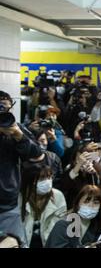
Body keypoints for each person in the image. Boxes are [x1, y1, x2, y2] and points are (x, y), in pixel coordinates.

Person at [0, 91, 43, 245]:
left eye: (4, 107)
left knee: (16, 243)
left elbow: (37, 154)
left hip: (7, 205)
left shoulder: (15, 128)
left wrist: (18, 136)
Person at [19, 162, 66, 248]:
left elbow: (58, 227)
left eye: (49, 177)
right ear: (31, 180)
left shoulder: (58, 196)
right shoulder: (20, 198)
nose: (47, 181)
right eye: (42, 178)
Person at [60, 142, 101, 208]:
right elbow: (65, 185)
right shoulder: (70, 169)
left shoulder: (92, 172)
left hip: (90, 206)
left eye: (87, 159)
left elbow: (98, 190)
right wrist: (79, 165)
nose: (84, 161)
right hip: (73, 206)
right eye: (80, 159)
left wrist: (94, 173)